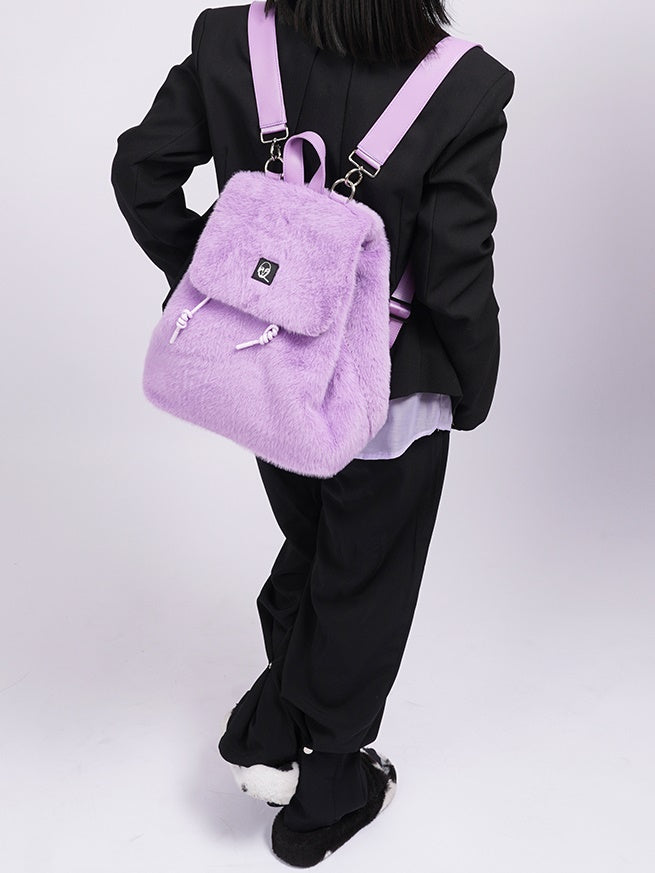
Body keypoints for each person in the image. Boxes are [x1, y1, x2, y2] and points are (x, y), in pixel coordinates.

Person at [111, 0, 515, 865]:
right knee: (367, 575)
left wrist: (230, 285)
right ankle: (328, 787)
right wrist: (472, 385)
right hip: (389, 387)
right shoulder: (467, 84)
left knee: (316, 540)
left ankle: (271, 722)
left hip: (267, 369)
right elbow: (455, 266)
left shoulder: (232, 38)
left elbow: (141, 169)